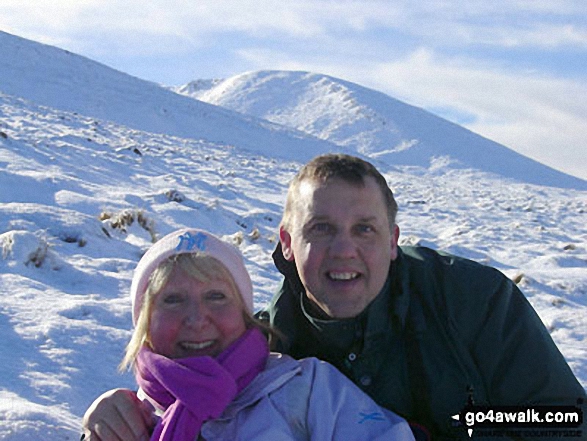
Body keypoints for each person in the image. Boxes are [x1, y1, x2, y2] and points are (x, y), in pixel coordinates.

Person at [83, 154, 586, 439]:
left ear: (392, 240)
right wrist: (106, 414)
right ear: (287, 242)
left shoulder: (470, 300)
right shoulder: (268, 350)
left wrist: (464, 425)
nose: (343, 251)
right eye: (321, 229)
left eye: (364, 229)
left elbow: (566, 418)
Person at [82, 227, 414, 440]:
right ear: (145, 322)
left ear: (244, 314)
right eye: (172, 300)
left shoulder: (308, 389)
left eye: (216, 296)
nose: (197, 319)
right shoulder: (131, 417)